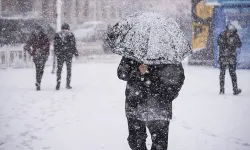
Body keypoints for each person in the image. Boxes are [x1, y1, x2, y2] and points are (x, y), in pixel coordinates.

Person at [117, 57, 185, 150]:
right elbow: (121, 73)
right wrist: (137, 70)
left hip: (160, 107)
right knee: (135, 142)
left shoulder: (169, 53)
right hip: (135, 105)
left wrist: (167, 96)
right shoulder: (133, 52)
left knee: (160, 144)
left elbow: (178, 78)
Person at [217, 24, 242, 95]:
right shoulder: (222, 35)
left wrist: (233, 42)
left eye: (231, 32)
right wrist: (226, 41)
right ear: (227, 30)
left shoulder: (235, 35)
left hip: (231, 57)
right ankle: (221, 90)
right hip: (223, 57)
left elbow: (239, 44)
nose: (230, 33)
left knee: (232, 73)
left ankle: (235, 90)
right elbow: (219, 43)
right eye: (229, 31)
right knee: (222, 73)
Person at [24, 25, 50, 91]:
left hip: (42, 55)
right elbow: (26, 46)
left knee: (41, 70)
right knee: (38, 69)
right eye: (37, 30)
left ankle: (38, 82)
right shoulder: (32, 36)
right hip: (36, 55)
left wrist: (45, 52)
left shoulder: (44, 36)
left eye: (38, 30)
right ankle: (38, 83)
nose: (37, 31)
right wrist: (31, 52)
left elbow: (47, 45)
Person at [54, 23, 78, 90]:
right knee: (69, 70)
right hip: (68, 55)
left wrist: (57, 52)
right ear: (68, 28)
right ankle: (68, 84)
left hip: (60, 55)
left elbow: (55, 45)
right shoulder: (71, 34)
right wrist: (75, 53)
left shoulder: (58, 35)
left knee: (59, 69)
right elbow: (73, 45)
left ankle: (58, 83)